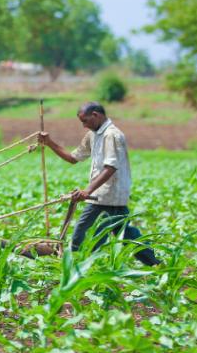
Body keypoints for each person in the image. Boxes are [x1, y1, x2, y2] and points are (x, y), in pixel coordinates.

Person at [39, 102, 160, 266]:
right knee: (126, 236)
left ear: (96, 115)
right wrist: (49, 142)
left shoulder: (112, 135)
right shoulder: (93, 135)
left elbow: (111, 168)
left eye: (85, 121)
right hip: (105, 197)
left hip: (107, 197)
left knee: (82, 237)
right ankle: (156, 265)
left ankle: (77, 271)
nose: (84, 126)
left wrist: (87, 191)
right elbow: (73, 158)